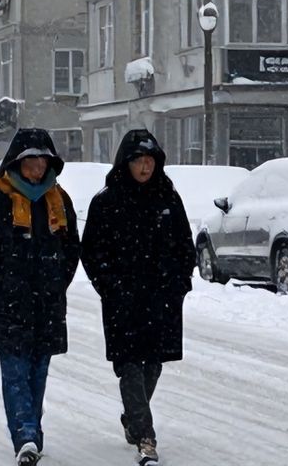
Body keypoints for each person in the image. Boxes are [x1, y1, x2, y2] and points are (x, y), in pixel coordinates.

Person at [0, 129, 80, 466]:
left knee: (38, 371)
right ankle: (25, 436)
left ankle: (33, 431)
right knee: (15, 371)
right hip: (9, 302)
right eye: (30, 160)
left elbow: (72, 247)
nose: (37, 167)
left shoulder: (59, 200)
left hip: (47, 302)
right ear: (17, 162)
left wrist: (59, 280)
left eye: (42, 160)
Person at [82, 129, 196, 466]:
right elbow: (91, 250)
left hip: (162, 298)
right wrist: (109, 284)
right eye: (138, 161)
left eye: (150, 161)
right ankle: (146, 436)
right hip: (123, 300)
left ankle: (133, 415)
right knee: (129, 364)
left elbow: (184, 246)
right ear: (126, 164)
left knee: (153, 365)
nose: (145, 167)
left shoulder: (168, 199)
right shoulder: (107, 201)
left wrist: (179, 283)